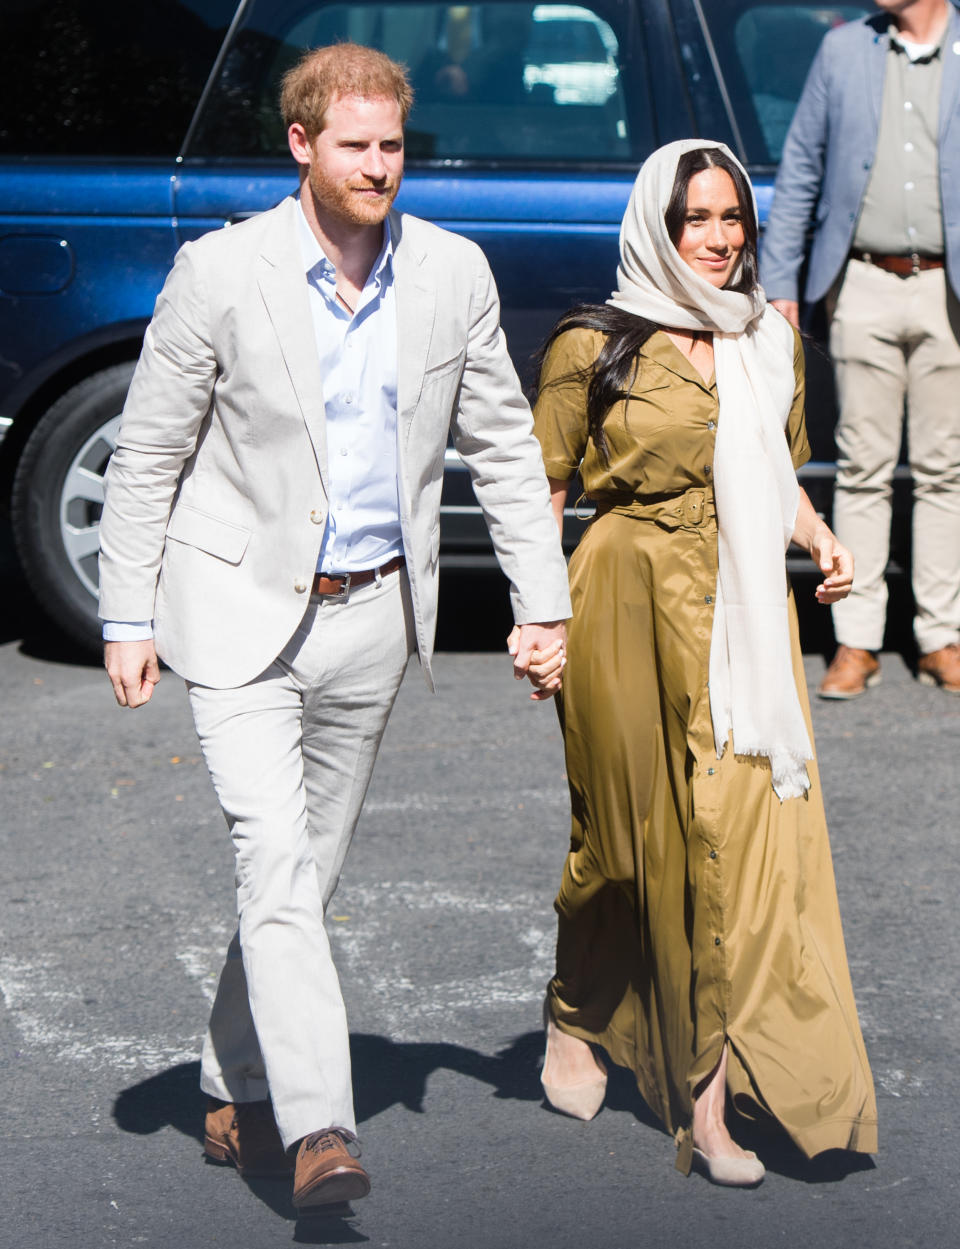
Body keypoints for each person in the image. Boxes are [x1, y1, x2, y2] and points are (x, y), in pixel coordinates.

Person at [97, 42, 571, 1210]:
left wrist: (541, 600)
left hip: (373, 616)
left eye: (393, 145)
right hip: (237, 611)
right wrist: (126, 610)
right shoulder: (220, 273)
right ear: (302, 146)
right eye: (355, 145)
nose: (379, 167)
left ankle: (229, 1074)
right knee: (272, 856)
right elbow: (148, 451)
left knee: (297, 880)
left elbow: (505, 448)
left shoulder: (452, 272)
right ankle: (317, 1128)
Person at [531, 140, 877, 1186]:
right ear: (657, 226)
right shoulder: (591, 344)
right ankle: (576, 1010)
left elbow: (775, 476)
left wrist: (818, 539)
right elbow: (540, 495)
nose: (720, 240)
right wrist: (539, 620)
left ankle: (709, 1108)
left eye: (734, 219)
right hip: (624, 605)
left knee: (723, 844)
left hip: (741, 614)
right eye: (698, 220)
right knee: (624, 848)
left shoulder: (770, 338)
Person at [761, 0, 960, 698]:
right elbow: (801, 170)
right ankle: (857, 638)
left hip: (949, 290)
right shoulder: (844, 51)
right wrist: (781, 278)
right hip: (864, 282)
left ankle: (940, 633)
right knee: (863, 465)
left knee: (947, 469)